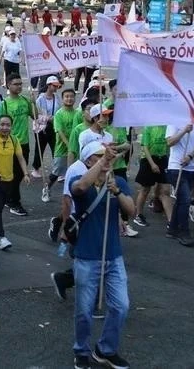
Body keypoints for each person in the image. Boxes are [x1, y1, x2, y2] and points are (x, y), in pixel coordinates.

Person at [68, 142, 134, 369]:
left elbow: (131, 211)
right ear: (88, 161)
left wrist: (116, 191)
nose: (105, 161)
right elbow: (80, 187)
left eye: (106, 157)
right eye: (98, 157)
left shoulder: (119, 182)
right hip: (86, 256)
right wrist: (104, 161)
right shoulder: (80, 183)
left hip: (114, 256)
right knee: (84, 312)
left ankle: (105, 349)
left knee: (121, 306)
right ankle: (81, 350)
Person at [0, 114, 29, 251]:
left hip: (8, 179)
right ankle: (2, 237)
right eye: (2, 124)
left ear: (11, 126)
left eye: (8, 125)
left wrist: (26, 173)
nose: (5, 127)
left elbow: (20, 158)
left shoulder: (14, 141)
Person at [0, 73, 34, 216]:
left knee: (18, 174)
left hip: (24, 142)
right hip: (10, 144)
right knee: (13, 173)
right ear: (8, 85)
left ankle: (8, 197)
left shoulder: (25, 100)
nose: (19, 86)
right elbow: (0, 126)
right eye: (16, 84)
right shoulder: (4, 104)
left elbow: (34, 115)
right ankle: (14, 202)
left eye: (20, 84)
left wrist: (34, 102)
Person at [165, 124, 194, 247]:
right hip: (176, 167)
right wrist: (183, 131)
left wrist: (190, 157)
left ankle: (172, 229)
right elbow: (170, 142)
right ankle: (184, 232)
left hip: (190, 168)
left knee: (181, 200)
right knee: (186, 201)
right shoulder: (174, 121)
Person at [133, 125, 170, 227]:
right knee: (145, 189)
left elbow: (168, 144)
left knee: (166, 190)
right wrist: (152, 164)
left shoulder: (168, 127)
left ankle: (171, 221)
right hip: (148, 159)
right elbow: (145, 146)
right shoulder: (149, 127)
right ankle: (138, 215)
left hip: (162, 158)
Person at [44, 88, 76, 203]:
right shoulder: (59, 114)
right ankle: (46, 189)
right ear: (62, 99)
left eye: (71, 96)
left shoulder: (77, 113)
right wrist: (69, 145)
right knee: (56, 173)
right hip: (62, 149)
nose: (69, 98)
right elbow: (60, 132)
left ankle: (72, 194)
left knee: (74, 172)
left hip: (75, 149)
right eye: (67, 96)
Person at [32, 75, 61, 180]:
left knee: (56, 148)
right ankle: (36, 168)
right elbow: (36, 115)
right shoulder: (40, 98)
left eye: (57, 86)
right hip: (41, 128)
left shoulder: (56, 98)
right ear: (48, 85)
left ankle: (57, 169)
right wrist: (48, 118)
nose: (56, 88)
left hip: (53, 127)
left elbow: (59, 111)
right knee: (39, 148)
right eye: (54, 85)